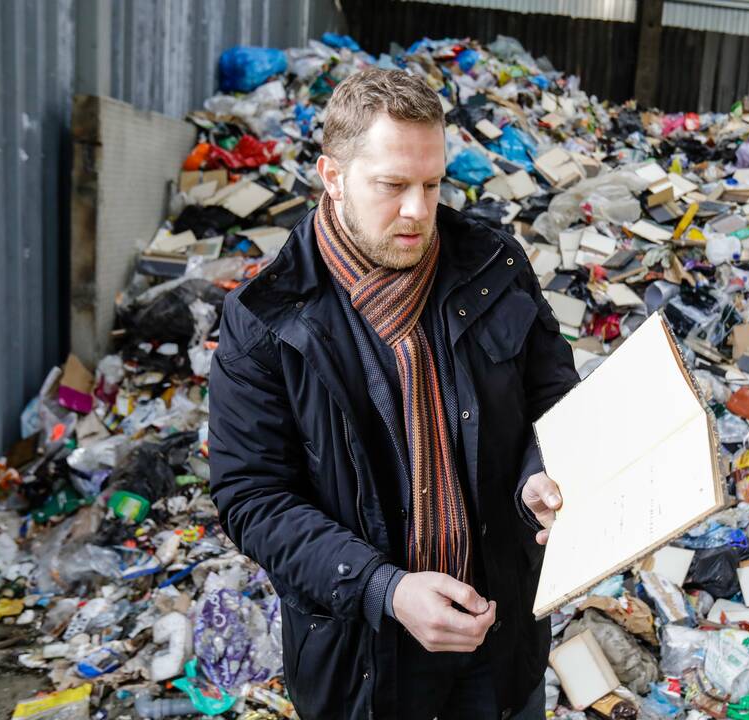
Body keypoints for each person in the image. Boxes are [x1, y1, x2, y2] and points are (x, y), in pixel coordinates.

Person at [208, 67, 579, 720]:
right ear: (332, 176)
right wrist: (385, 589)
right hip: (365, 665)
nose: (418, 210)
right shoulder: (265, 319)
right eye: (392, 186)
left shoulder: (494, 266)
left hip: (502, 642)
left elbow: (553, 396)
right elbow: (252, 497)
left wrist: (538, 474)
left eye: (432, 185)